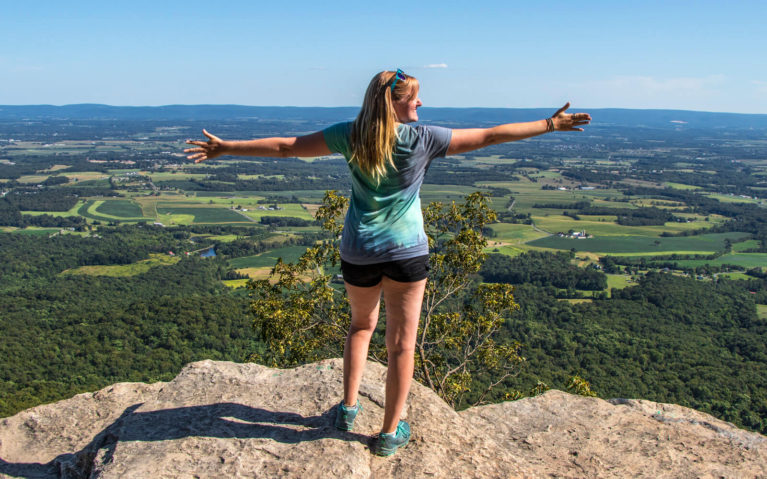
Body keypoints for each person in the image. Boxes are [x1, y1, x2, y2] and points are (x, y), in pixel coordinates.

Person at [185, 69, 591, 456]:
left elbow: (288, 147)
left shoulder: (350, 135)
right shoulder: (423, 138)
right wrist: (549, 125)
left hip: (358, 252)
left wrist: (227, 148)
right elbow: (489, 136)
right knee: (401, 345)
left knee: (361, 327)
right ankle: (389, 432)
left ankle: (346, 410)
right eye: (415, 97)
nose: (421, 102)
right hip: (407, 254)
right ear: (398, 103)